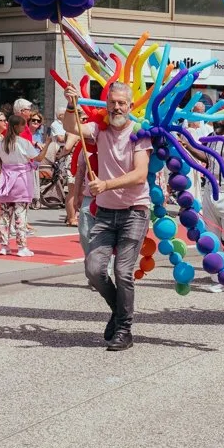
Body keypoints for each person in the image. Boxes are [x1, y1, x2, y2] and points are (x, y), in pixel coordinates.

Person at [83, 81, 155, 349]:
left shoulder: (140, 135)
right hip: (105, 212)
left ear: (130, 106)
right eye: (112, 102)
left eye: (121, 103)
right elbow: (71, 129)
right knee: (93, 270)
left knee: (123, 271)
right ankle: (119, 311)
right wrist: (70, 104)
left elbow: (140, 175)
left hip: (134, 211)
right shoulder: (99, 130)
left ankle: (124, 330)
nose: (116, 107)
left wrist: (106, 184)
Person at [0, 110, 40, 257]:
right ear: (18, 127)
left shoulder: (2, 142)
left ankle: (4, 245)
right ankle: (21, 246)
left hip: (6, 178)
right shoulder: (24, 143)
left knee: (5, 214)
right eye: (22, 126)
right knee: (21, 214)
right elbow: (37, 158)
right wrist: (48, 144)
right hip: (21, 179)